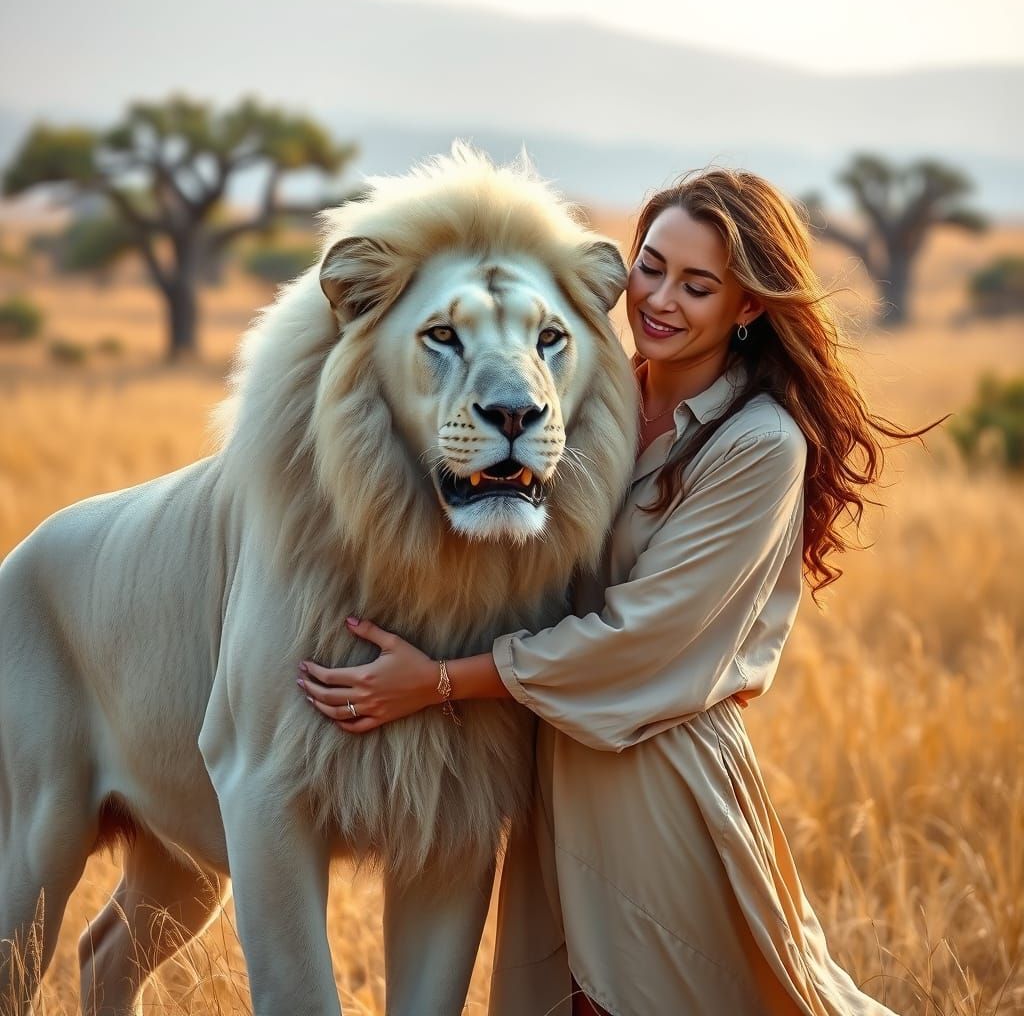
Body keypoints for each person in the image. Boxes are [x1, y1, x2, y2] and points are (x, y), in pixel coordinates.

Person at [296, 169, 936, 1015]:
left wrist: (441, 681)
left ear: (747, 308)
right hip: (553, 765)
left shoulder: (760, 445)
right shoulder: (581, 398)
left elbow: (641, 637)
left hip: (657, 778)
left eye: (698, 285)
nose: (661, 301)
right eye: (651, 267)